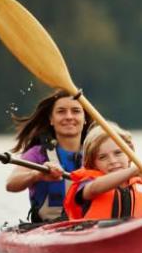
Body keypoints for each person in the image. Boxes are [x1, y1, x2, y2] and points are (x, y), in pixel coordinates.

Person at [6, 89, 91, 223]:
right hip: (48, 228)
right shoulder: (37, 153)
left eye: (76, 111)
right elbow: (11, 184)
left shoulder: (97, 152)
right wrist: (37, 174)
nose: (69, 116)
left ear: (85, 118)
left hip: (91, 224)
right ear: (51, 119)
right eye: (61, 111)